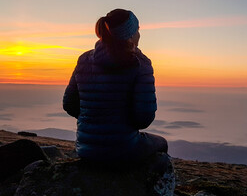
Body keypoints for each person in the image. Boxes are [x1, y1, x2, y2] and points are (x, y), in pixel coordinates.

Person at [63, 9, 168, 163]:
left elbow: (69, 105)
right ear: (130, 35)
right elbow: (144, 119)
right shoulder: (140, 64)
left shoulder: (84, 59)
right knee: (161, 144)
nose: (139, 35)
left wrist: (97, 119)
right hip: (124, 149)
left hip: (86, 150)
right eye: (138, 30)